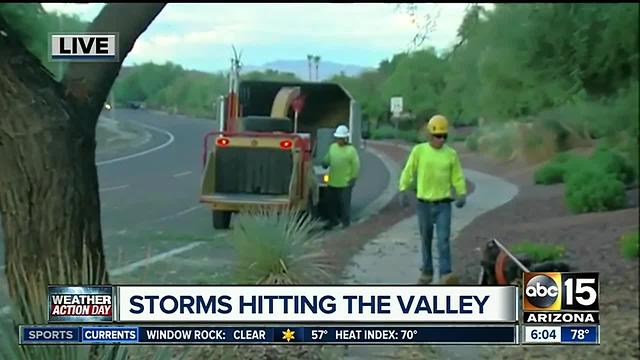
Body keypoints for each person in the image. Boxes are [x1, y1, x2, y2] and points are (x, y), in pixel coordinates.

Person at [398, 115, 467, 285]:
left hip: (444, 203)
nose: (440, 139)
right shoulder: (419, 151)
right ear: (429, 135)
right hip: (424, 204)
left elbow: (457, 176)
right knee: (426, 238)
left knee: (443, 239)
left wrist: (461, 193)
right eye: (437, 136)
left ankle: (445, 273)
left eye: (444, 136)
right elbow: (409, 171)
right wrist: (403, 189)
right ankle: (427, 272)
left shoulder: (451, 154)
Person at [322, 125, 360, 230]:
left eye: (341, 138)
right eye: (338, 138)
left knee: (344, 204)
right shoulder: (332, 147)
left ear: (345, 138)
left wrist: (353, 178)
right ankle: (333, 221)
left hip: (345, 182)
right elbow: (328, 158)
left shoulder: (351, 150)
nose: (339, 140)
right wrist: (325, 162)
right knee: (330, 203)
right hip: (333, 181)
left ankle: (345, 223)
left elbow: (355, 165)